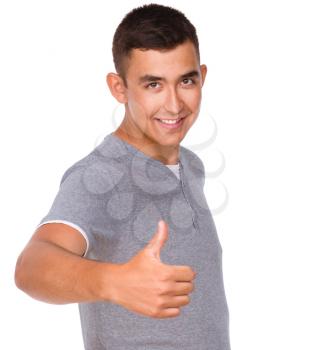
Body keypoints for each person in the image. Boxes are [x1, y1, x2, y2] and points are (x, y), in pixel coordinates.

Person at [14, 3, 231, 349]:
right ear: (119, 88)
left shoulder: (190, 165)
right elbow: (31, 267)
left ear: (202, 76)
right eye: (153, 85)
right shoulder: (100, 175)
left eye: (186, 81)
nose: (174, 105)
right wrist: (113, 282)